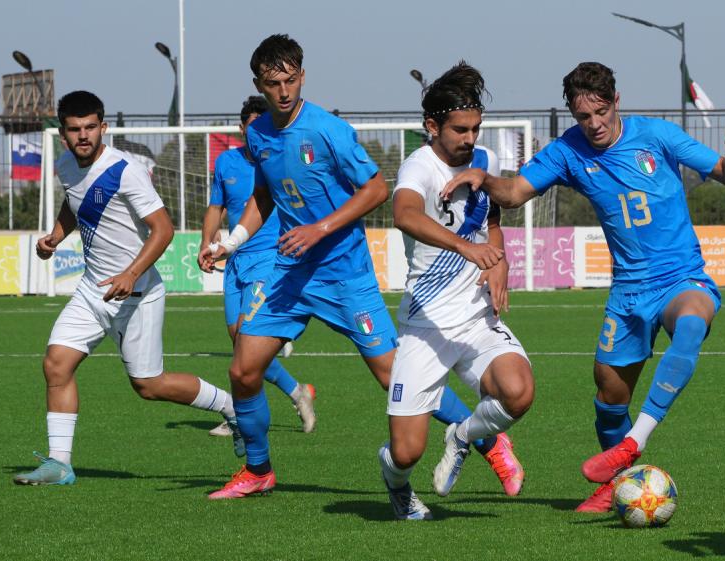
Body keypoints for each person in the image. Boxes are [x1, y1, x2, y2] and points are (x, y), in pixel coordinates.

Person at [202, 35, 524, 500]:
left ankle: (489, 441)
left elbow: (375, 189)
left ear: (302, 76)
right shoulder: (258, 134)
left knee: (395, 377)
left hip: (344, 272)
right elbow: (265, 196)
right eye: (273, 84)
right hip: (290, 272)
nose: (283, 91)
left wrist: (318, 229)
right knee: (243, 371)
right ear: (259, 85)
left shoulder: (327, 129)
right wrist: (231, 241)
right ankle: (258, 470)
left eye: (290, 80)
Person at [441, 62, 725, 513]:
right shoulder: (568, 150)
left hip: (680, 277)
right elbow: (513, 193)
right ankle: (619, 484)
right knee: (609, 399)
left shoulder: (657, 135)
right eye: (583, 116)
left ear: (616, 101)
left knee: (690, 324)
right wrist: (485, 179)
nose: (594, 124)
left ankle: (634, 443)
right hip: (628, 292)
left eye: (601, 112)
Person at [13, 91, 243, 486]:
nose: (83, 136)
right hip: (92, 290)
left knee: (149, 386)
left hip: (137, 296)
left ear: (103, 127)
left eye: (90, 127)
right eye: (75, 129)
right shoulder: (65, 164)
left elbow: (163, 229)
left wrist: (131, 274)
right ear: (63, 134)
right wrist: (55, 236)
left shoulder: (125, 170)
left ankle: (233, 408)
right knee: (56, 364)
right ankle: (60, 464)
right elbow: (74, 203)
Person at [377, 62, 534, 520]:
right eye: (460, 130)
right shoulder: (418, 167)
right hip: (425, 325)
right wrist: (467, 248)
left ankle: (462, 435)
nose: (470, 139)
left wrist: (499, 259)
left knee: (519, 391)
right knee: (405, 453)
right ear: (432, 126)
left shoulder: (484, 161)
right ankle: (397, 485)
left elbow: (491, 219)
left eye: (475, 129)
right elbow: (405, 214)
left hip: (475, 317)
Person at [198, 95, 316, 436]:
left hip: (270, 259)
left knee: (248, 341)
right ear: (241, 129)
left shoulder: (281, 161)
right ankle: (297, 392)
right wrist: (207, 242)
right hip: (236, 261)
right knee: (240, 344)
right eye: (252, 128)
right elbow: (216, 207)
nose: (258, 134)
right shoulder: (226, 162)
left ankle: (242, 419)